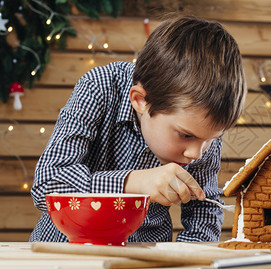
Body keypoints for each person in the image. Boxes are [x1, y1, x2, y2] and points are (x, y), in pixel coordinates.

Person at [29, 15, 247, 243]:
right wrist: (132, 183)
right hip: (61, 257)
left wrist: (182, 266)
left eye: (212, 139)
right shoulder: (99, 87)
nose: (197, 154)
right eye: (185, 135)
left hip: (145, 265)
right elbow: (47, 185)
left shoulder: (202, 127)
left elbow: (204, 215)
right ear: (141, 101)